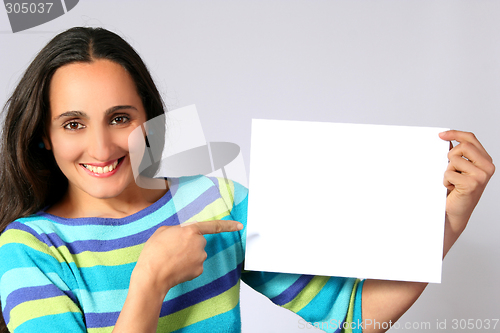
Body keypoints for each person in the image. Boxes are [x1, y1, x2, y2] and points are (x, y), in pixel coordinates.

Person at [0, 27, 494, 333]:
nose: (102, 148)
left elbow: (352, 317)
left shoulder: (214, 202)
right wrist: (149, 282)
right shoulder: (29, 249)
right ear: (44, 137)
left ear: (149, 119)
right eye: (73, 124)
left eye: (120, 118)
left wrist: (450, 216)